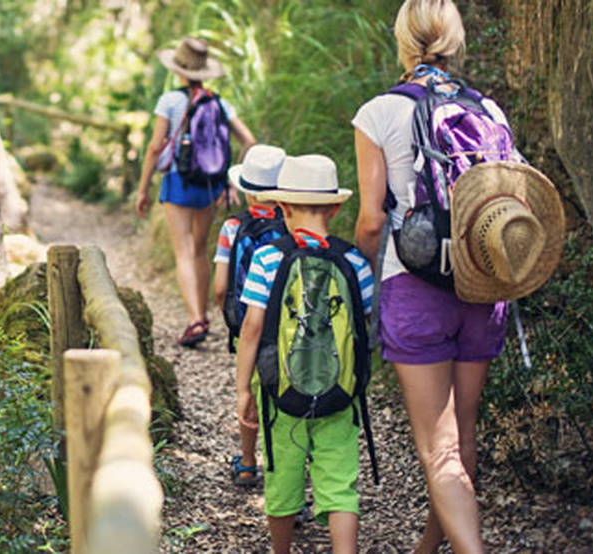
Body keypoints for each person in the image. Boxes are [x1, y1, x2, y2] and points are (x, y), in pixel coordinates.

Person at [351, 1, 509, 552]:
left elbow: (372, 221)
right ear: (455, 41)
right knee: (461, 436)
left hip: (414, 285)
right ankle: (426, 547)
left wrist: (362, 278)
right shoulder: (489, 110)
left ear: (403, 41)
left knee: (438, 448)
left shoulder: (378, 114)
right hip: (485, 285)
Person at [235, 154, 375, 554]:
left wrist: (243, 387)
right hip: (340, 391)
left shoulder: (267, 258)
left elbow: (252, 327)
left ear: (283, 207)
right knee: (340, 482)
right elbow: (363, 323)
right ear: (335, 208)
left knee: (282, 477)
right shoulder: (353, 261)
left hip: (281, 392)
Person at [136, 36, 257, 347]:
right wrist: (232, 181)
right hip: (210, 182)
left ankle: (196, 320)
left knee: (183, 250)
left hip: (178, 180)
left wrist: (143, 189)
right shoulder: (219, 102)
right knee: (200, 249)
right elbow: (249, 141)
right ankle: (202, 313)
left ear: (178, 69)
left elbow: (155, 147)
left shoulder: (170, 101)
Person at [212, 144, 287, 487]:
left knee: (251, 394)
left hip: (248, 326)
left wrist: (229, 314)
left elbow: (220, 285)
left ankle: (246, 461)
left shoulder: (232, 227)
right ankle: (287, 474)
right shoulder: (294, 224)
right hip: (288, 328)